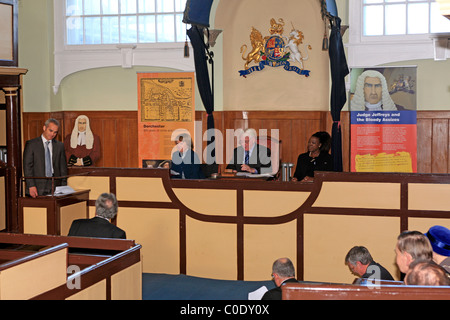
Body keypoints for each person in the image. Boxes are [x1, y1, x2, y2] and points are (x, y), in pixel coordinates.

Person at [23, 118, 68, 197]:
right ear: (44, 128)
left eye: (55, 132)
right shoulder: (31, 144)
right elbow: (27, 167)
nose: (52, 134)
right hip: (37, 186)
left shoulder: (59, 146)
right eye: (50, 131)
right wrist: (31, 185)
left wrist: (63, 186)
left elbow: (63, 168)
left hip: (55, 185)